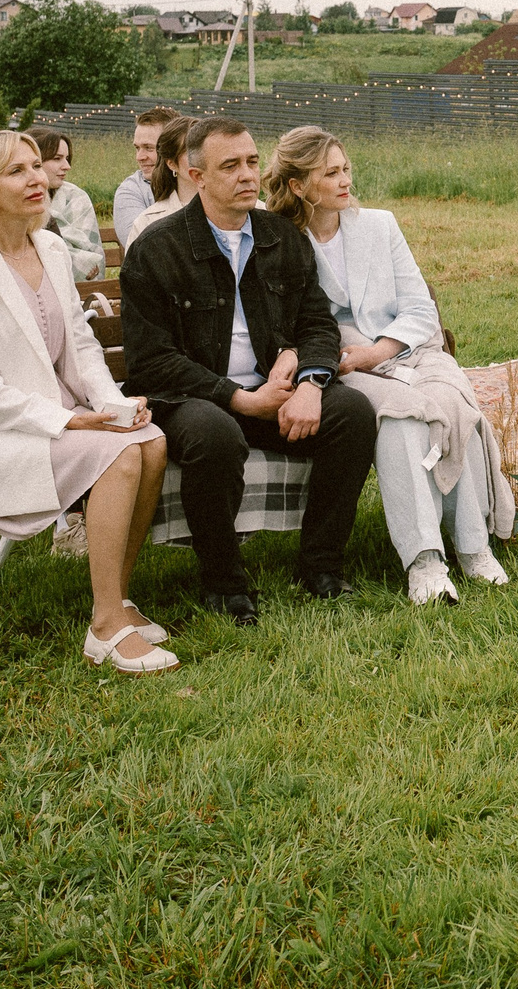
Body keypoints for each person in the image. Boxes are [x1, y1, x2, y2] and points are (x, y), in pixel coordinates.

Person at [0, 130, 175, 672]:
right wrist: (74, 422)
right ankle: (104, 629)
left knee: (149, 442)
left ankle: (117, 599)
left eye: (37, 166)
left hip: (61, 414)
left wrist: (113, 406)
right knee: (121, 454)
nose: (36, 178)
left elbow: (82, 346)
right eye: (16, 171)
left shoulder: (52, 246)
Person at [122, 118, 378, 623]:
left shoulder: (280, 236)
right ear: (196, 175)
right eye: (230, 165)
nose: (248, 175)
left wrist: (311, 381)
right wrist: (237, 397)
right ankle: (225, 583)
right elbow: (151, 361)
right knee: (214, 433)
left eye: (253, 162)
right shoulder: (157, 248)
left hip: (276, 390)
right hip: (194, 399)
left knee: (351, 412)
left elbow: (317, 324)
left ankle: (320, 566)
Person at [265, 127, 514, 607]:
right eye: (330, 173)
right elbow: (283, 324)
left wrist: (377, 351)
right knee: (400, 415)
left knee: (450, 404)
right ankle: (425, 562)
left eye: (346, 169)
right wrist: (348, 358)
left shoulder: (379, 225)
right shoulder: (279, 239)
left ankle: (473, 547)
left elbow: (420, 308)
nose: (344, 181)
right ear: (298, 186)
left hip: (406, 350)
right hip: (337, 364)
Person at [30, 128, 106, 281]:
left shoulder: (76, 197)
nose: (67, 166)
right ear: (35, 161)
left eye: (67, 158)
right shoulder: (17, 199)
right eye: (57, 158)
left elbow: (94, 257)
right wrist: (81, 261)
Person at [113, 107, 180, 244]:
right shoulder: (131, 190)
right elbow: (139, 245)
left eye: (149, 148)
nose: (139, 157)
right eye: (137, 148)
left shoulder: (196, 182)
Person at [124, 116, 194, 242]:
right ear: (171, 163)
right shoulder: (148, 222)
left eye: (149, 148)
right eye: (192, 152)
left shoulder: (230, 212)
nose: (139, 157)